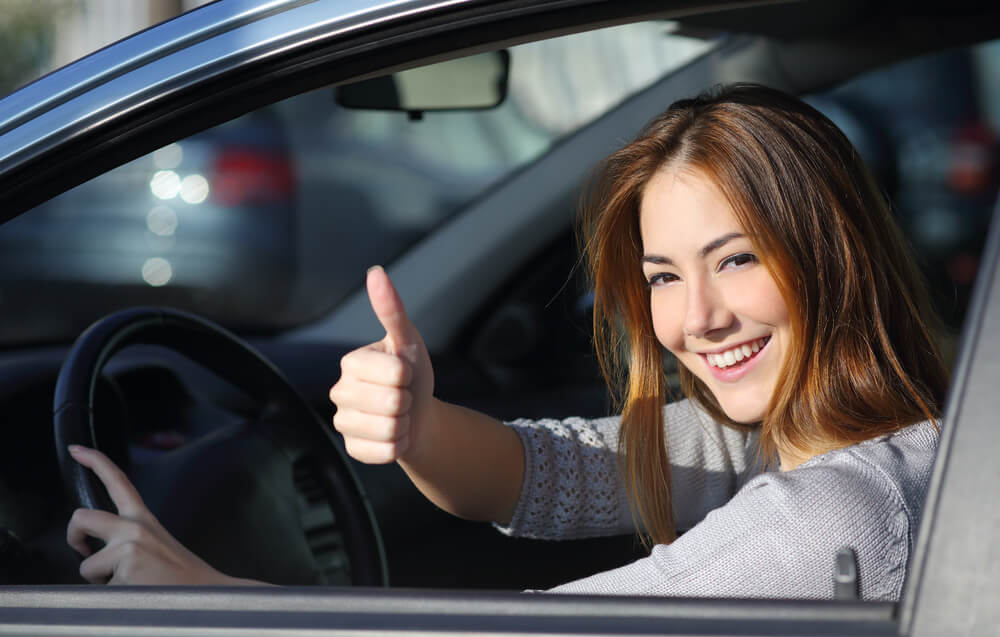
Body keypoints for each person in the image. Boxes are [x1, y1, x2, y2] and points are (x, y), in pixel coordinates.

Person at [67, 84, 948, 598]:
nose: (698, 318)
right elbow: (545, 472)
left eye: (739, 258)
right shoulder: (799, 438)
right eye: (665, 276)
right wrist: (417, 426)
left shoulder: (836, 516)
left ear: (831, 255)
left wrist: (202, 598)